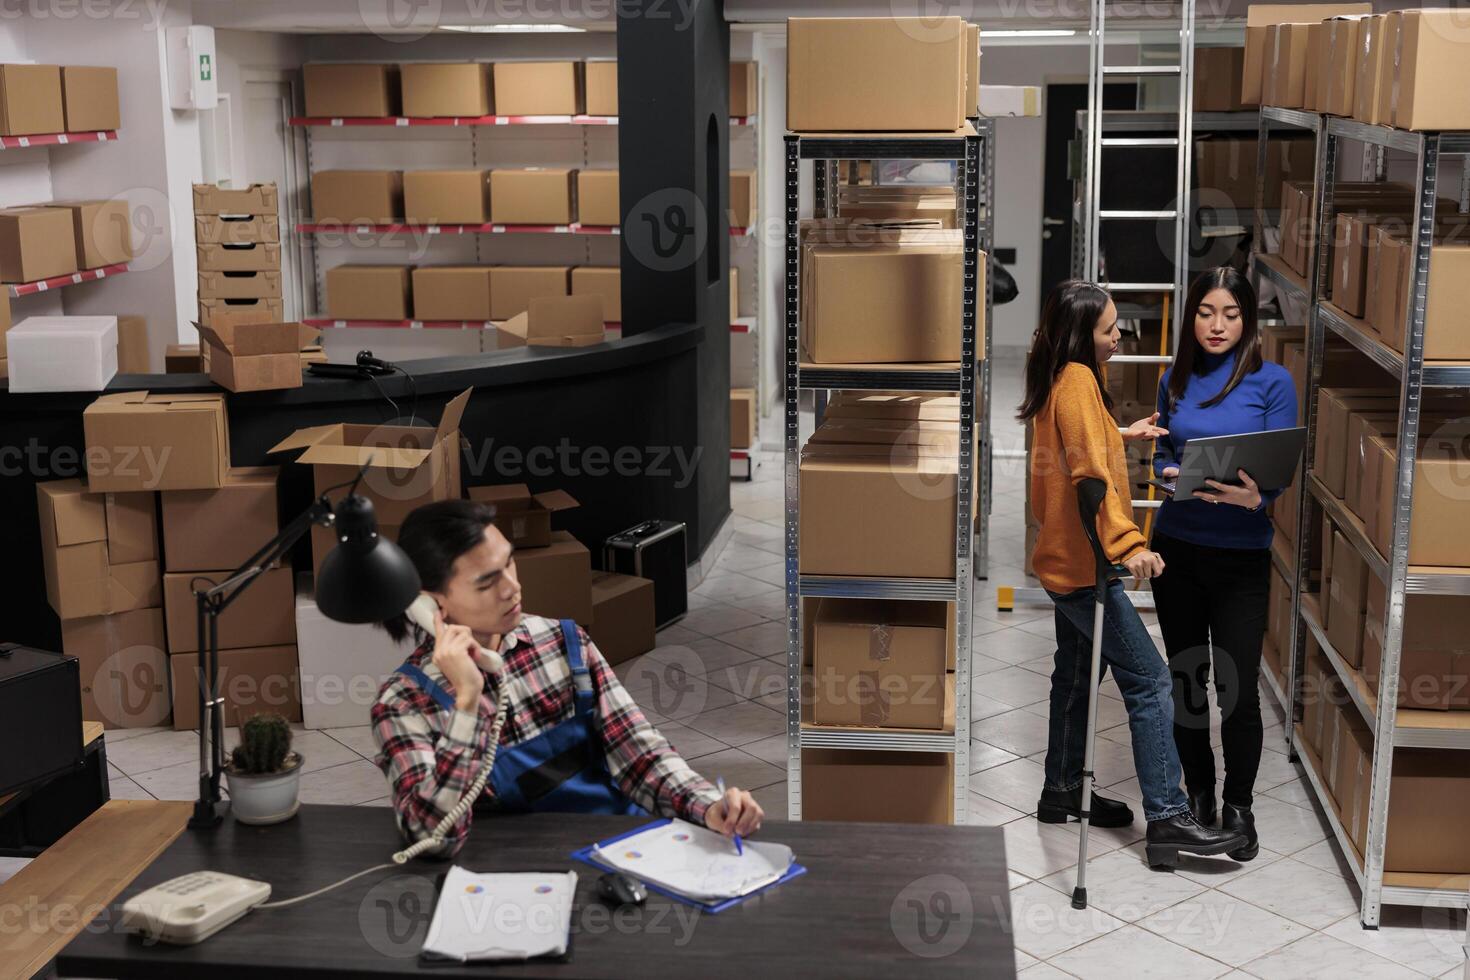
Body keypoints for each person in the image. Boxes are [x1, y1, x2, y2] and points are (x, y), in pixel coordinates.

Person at [371, 499, 762, 856]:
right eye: (487, 582)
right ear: (432, 600)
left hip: (621, 852)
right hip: (517, 878)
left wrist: (708, 806)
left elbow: (640, 755)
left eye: (509, 562)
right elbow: (432, 837)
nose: (512, 587)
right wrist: (468, 703)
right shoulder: (403, 702)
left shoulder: (564, 641)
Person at [1019, 278, 1245, 868]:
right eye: (1108, 328)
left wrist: (1120, 435)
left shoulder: (1062, 377)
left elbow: (1078, 446)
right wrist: (1129, 544)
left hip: (1062, 560)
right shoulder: (1075, 383)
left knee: (1074, 676)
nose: (1119, 335)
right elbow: (1089, 478)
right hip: (1084, 565)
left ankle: (1061, 789)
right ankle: (1168, 820)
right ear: (1081, 336)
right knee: (1147, 681)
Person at [1150, 267, 1296, 862]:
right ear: (1191, 317)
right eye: (1206, 313)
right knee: (1188, 681)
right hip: (1179, 547)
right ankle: (1201, 798)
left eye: (1230, 314)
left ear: (1248, 320)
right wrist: (1166, 474)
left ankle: (1240, 809)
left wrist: (1255, 499)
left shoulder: (1272, 381)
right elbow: (1163, 448)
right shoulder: (1174, 377)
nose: (1217, 325)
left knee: (1236, 689)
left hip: (1241, 556)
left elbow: (1281, 467)